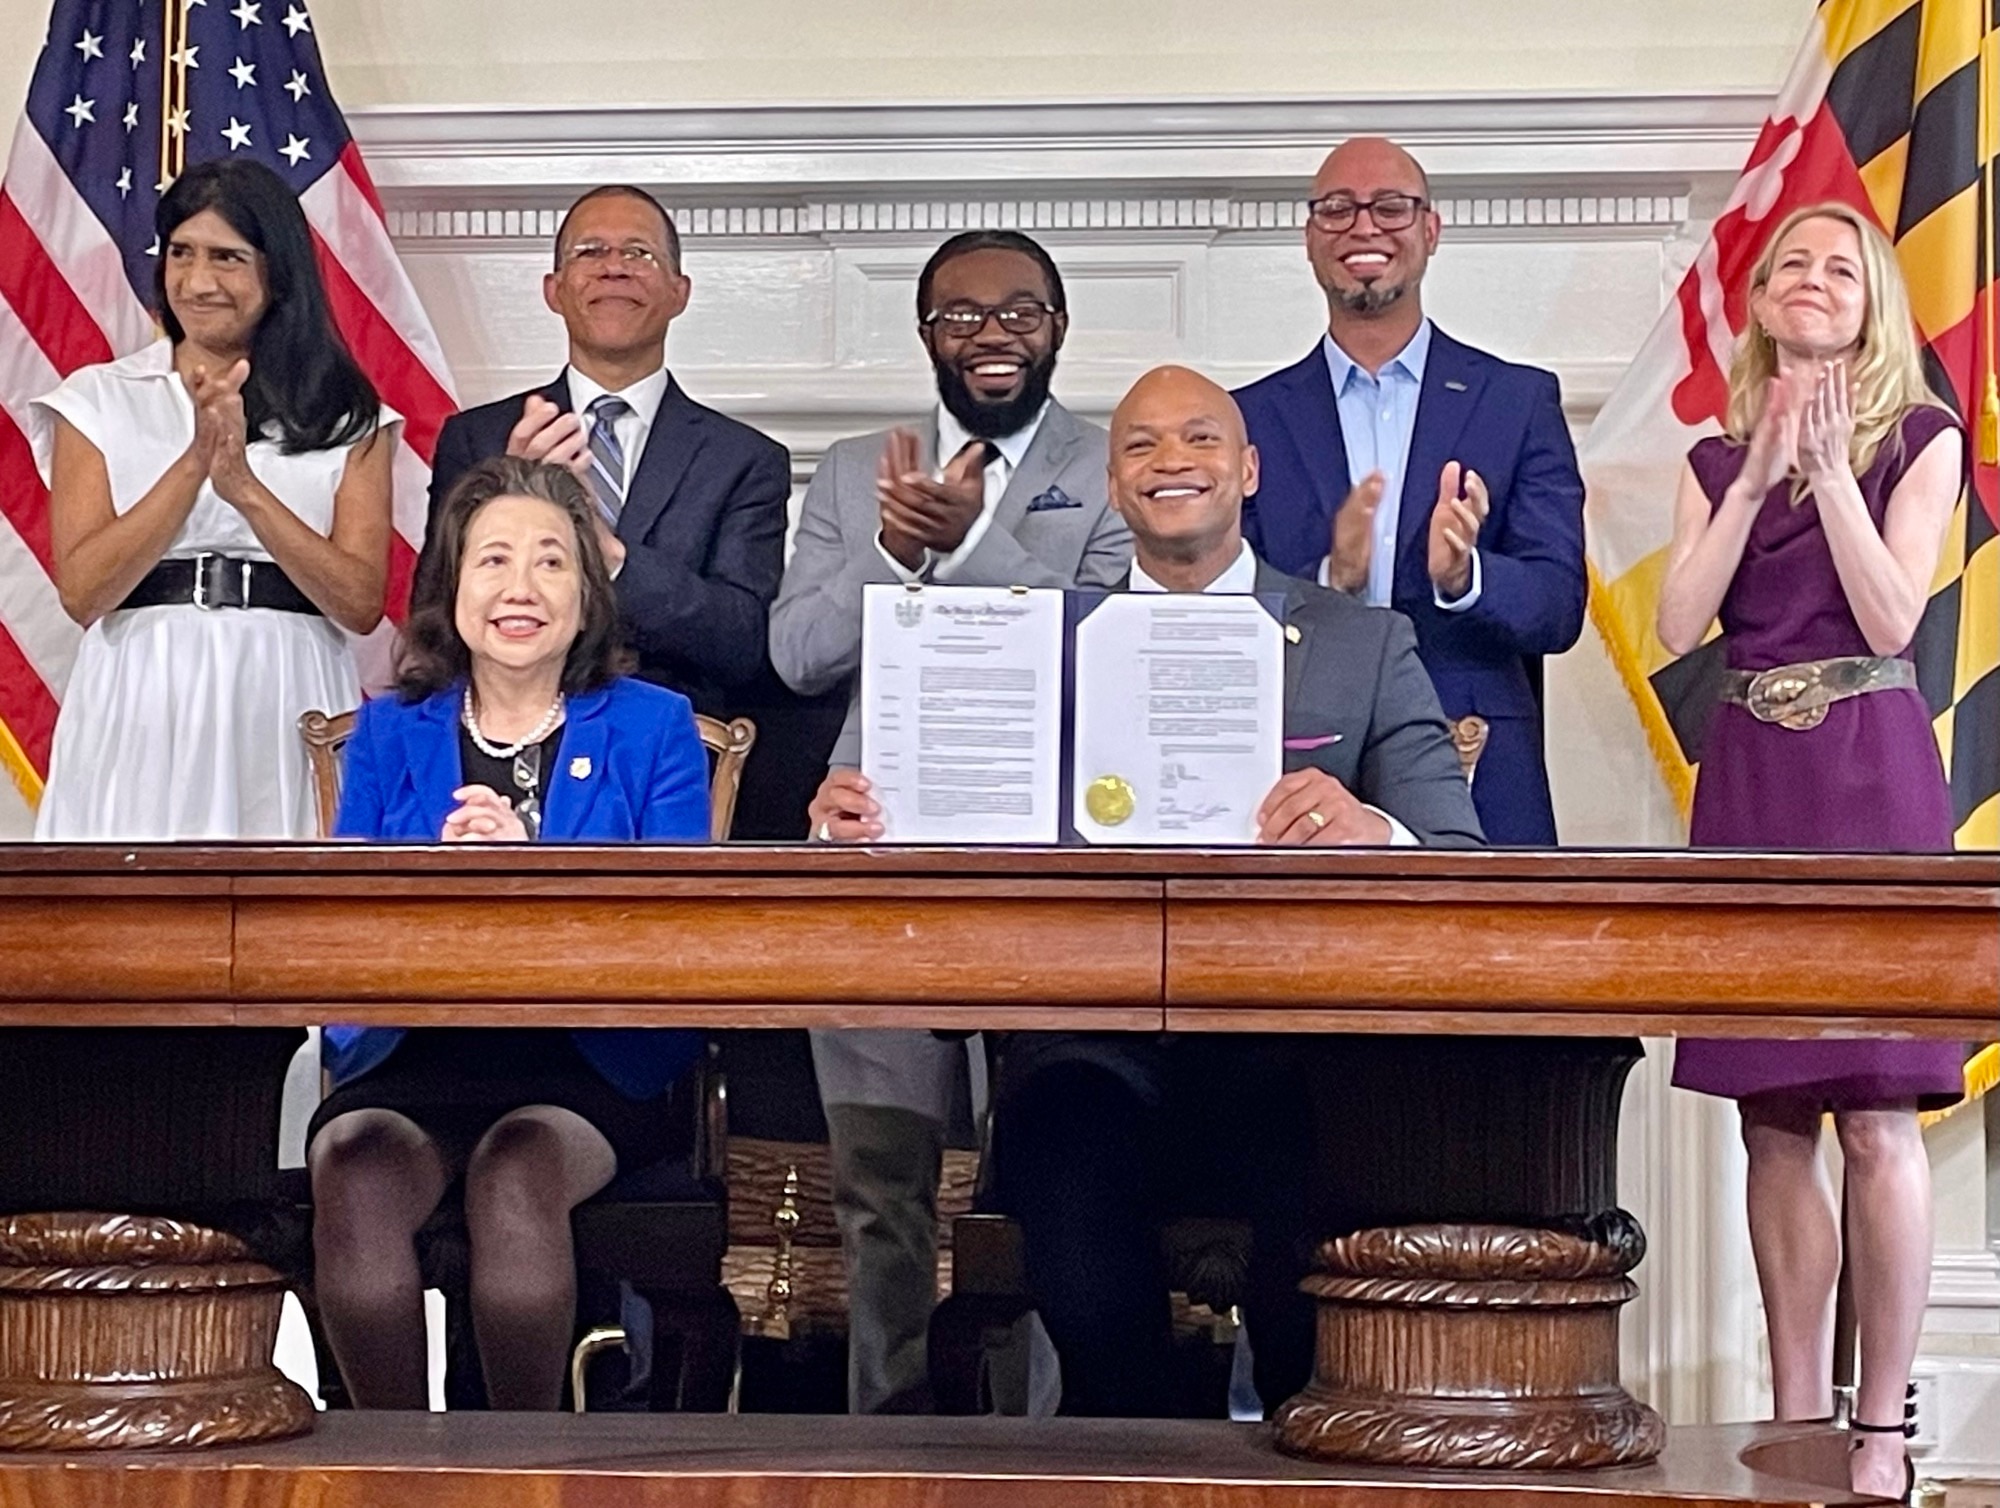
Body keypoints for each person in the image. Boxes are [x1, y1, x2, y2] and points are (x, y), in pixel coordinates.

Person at [813, 366, 1482, 1417]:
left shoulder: (1359, 642)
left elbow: (1454, 850)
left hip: (1287, 1052)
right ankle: (1139, 1464)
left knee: (1316, 1235)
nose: (1172, 460)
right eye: (1140, 446)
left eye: (1200, 438)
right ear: (1114, 490)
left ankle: (1295, 1463)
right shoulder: (1017, 641)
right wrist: (859, 817)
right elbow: (916, 830)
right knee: (1074, 1209)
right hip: (1084, 1048)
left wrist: (1367, 824)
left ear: (1248, 468)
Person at [769, 229, 1131, 1413]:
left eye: (1019, 312)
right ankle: (887, 1435)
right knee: (881, 1181)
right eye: (960, 316)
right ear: (925, 335)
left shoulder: (1114, 460)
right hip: (878, 838)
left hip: (1051, 864)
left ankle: (1040, 1450)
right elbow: (798, 651)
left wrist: (970, 542)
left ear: (1059, 327)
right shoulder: (846, 470)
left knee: (1041, 1177)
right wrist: (888, 547)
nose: (991, 335)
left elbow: (1115, 640)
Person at [1656, 203, 1964, 1499]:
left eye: (1843, 268)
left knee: (1879, 1115)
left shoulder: (1923, 442)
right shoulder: (1713, 458)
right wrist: (1769, 461)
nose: (1817, 281)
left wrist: (1834, 470)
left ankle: (1881, 1423)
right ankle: (1792, 1418)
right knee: (1773, 1124)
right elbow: (1682, 615)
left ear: (1873, 303)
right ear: (1764, 302)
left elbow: (1894, 619)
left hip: (1870, 776)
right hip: (1754, 778)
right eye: (1795, 265)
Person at [312, 456, 710, 1410]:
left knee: (514, 1170)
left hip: (588, 1062)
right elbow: (341, 920)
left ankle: (520, 1471)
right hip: (414, 1051)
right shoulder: (388, 730)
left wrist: (535, 855)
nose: (520, 588)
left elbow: (680, 925)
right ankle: (399, 1472)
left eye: (550, 563)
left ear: (587, 598)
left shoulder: (654, 727)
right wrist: (438, 864)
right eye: (492, 561)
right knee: (354, 1167)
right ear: (452, 590)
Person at [28, 158, 396, 839]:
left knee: (284, 913)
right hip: (142, 687)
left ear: (275, 271)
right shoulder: (98, 399)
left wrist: (245, 489)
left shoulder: (348, 414)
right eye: (181, 254)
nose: (199, 282)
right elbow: (83, 591)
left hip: (286, 687)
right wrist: (196, 461)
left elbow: (360, 601)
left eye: (228, 258)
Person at [1234, 136, 1586, 844]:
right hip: (1291, 765)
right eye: (1337, 209)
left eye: (1391, 207)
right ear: (1310, 238)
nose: (1364, 227)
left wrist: (1464, 576)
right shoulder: (1248, 417)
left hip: (1480, 758)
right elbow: (1221, 609)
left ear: (1431, 230)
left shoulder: (1516, 400)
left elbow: (1559, 607)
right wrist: (1333, 579)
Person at [425, 185, 789, 724]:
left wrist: (608, 552)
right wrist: (510, 494)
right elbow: (432, 615)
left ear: (679, 291)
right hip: (501, 737)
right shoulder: (478, 439)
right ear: (554, 289)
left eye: (638, 253)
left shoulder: (743, 459)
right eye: (589, 252)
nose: (614, 268)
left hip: (672, 748)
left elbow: (741, 643)